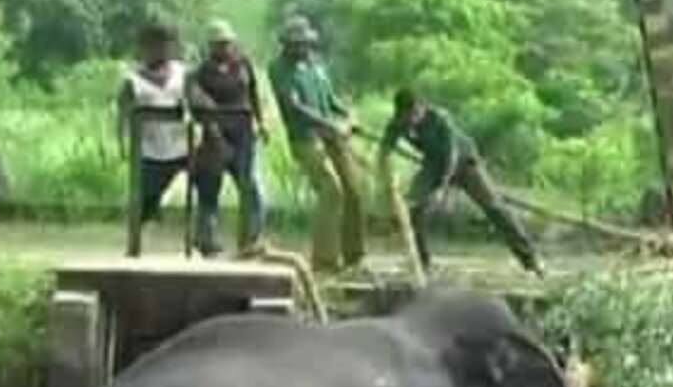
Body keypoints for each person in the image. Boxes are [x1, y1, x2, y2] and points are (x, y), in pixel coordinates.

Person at [376, 88, 545, 277]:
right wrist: (382, 172)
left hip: (464, 163)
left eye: (414, 114)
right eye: (406, 116)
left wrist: (442, 190)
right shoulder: (398, 123)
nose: (411, 120)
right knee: (413, 209)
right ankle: (422, 263)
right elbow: (384, 149)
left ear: (422, 107)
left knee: (494, 207)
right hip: (432, 165)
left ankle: (531, 258)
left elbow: (451, 156)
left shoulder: (440, 118)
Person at [267, 16, 365, 273]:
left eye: (305, 43)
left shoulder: (317, 66)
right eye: (296, 43)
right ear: (286, 44)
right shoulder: (278, 69)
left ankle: (354, 256)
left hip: (334, 136)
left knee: (354, 190)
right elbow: (294, 106)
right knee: (331, 190)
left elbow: (332, 101)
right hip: (306, 139)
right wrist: (330, 125)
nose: (302, 48)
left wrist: (349, 116)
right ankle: (324, 261)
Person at [187, 19, 270, 256]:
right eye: (219, 44)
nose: (224, 48)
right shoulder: (201, 73)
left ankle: (250, 240)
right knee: (209, 189)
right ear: (210, 46)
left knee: (252, 189)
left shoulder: (243, 65)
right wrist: (215, 136)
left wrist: (261, 122)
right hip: (215, 138)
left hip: (244, 135)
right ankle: (207, 241)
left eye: (227, 43)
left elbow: (252, 92)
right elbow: (198, 107)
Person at [116, 22, 192, 226]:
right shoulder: (132, 80)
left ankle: (203, 238)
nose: (159, 50)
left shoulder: (183, 73)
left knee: (201, 184)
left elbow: (197, 101)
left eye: (164, 44)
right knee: (144, 202)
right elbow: (122, 114)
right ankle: (135, 237)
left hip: (183, 147)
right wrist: (123, 144)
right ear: (144, 47)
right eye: (153, 45)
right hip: (150, 152)